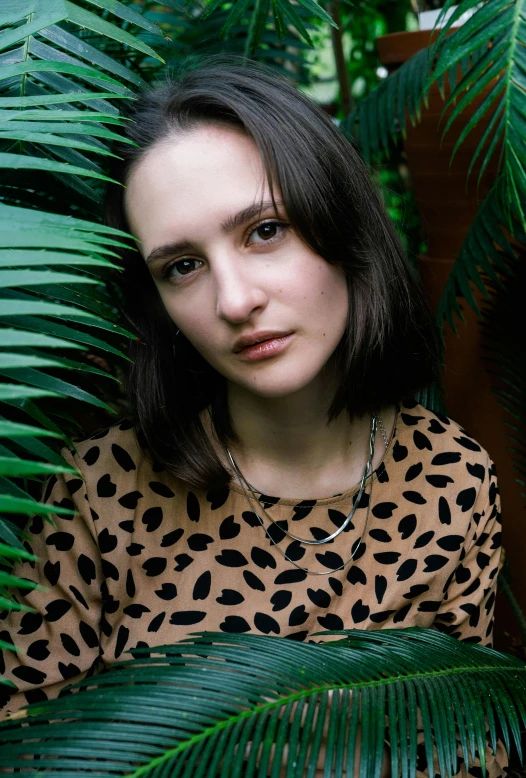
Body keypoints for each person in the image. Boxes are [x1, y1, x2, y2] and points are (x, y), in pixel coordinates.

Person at [0, 54, 507, 776]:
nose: (234, 301)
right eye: (182, 266)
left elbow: (470, 743)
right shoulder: (96, 491)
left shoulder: (452, 480)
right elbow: (29, 751)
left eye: (264, 230)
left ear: (341, 224)